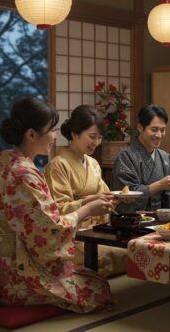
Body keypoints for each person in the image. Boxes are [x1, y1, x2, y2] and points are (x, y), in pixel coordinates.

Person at [0, 97, 115, 313]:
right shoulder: (25, 174)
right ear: (31, 134)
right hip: (17, 273)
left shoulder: (6, 165)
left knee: (95, 272)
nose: (55, 136)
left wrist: (87, 203)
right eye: (51, 130)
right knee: (99, 289)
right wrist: (87, 210)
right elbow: (51, 229)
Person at [44, 105, 127, 278]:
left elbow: (105, 196)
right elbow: (57, 209)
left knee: (131, 250)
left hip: (97, 230)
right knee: (111, 257)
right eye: (92, 137)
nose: (96, 143)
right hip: (73, 236)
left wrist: (116, 199)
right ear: (75, 134)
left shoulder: (93, 163)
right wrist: (90, 201)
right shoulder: (58, 164)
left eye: (99, 137)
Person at [111, 104, 170, 213]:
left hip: (165, 224)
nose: (159, 135)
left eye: (163, 130)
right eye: (154, 129)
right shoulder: (126, 157)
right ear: (140, 128)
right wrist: (159, 185)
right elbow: (125, 196)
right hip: (137, 224)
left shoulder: (166, 158)